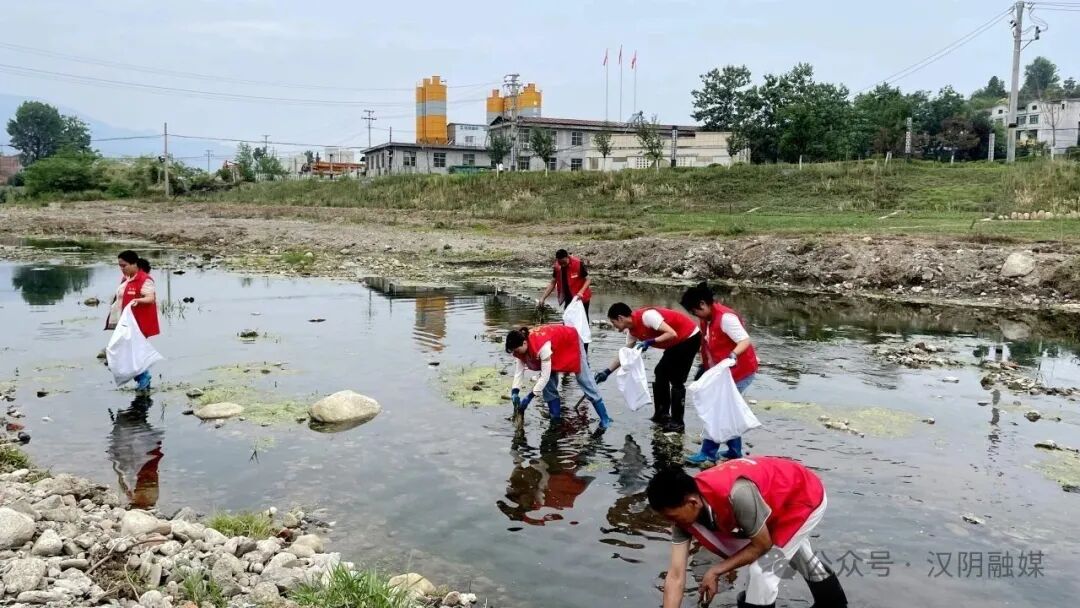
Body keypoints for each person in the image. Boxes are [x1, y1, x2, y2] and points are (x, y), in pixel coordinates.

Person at [647, 461, 847, 608]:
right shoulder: (684, 514)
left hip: (802, 497)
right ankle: (833, 603)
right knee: (797, 555)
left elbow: (762, 545)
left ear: (692, 502)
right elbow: (675, 575)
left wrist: (716, 570)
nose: (671, 523)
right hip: (768, 505)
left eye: (672, 516)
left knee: (763, 572)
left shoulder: (737, 493)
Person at [680, 283, 758, 465]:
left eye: (694, 311)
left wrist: (733, 354)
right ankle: (734, 451)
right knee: (727, 410)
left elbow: (744, 340)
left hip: (740, 371)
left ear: (702, 304)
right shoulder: (707, 318)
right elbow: (708, 345)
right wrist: (705, 367)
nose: (694, 315)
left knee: (719, 410)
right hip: (723, 373)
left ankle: (708, 452)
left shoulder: (725, 318)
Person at [594, 303, 702, 433]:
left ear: (620, 318)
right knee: (660, 372)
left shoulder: (648, 317)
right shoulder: (632, 332)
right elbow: (625, 355)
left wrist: (649, 342)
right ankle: (661, 414)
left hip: (689, 337)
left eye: (613, 322)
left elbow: (671, 333)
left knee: (677, 379)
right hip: (676, 342)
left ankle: (677, 422)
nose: (614, 326)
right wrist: (607, 372)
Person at [506, 324, 611, 430]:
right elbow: (519, 372)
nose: (516, 353)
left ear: (524, 343)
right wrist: (515, 392)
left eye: (517, 350)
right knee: (548, 385)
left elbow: (544, 376)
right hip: (554, 347)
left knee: (584, 379)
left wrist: (529, 397)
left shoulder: (542, 346)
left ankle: (605, 418)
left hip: (569, 341)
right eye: (514, 351)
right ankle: (555, 418)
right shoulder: (520, 348)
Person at [109, 250, 160, 392]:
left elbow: (150, 298)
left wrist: (138, 300)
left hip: (138, 323)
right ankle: (142, 379)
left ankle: (143, 378)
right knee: (126, 351)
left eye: (124, 265)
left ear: (133, 263)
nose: (122, 268)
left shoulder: (145, 279)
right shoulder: (126, 278)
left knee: (130, 352)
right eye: (120, 266)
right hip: (125, 322)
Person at [538, 250, 592, 350]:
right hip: (569, 300)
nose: (562, 265)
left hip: (582, 299)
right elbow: (553, 282)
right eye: (560, 263)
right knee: (567, 322)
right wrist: (543, 298)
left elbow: (588, 279)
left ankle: (584, 350)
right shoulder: (557, 267)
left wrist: (581, 292)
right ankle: (570, 347)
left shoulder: (578, 264)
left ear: (568, 257)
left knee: (583, 325)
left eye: (564, 262)